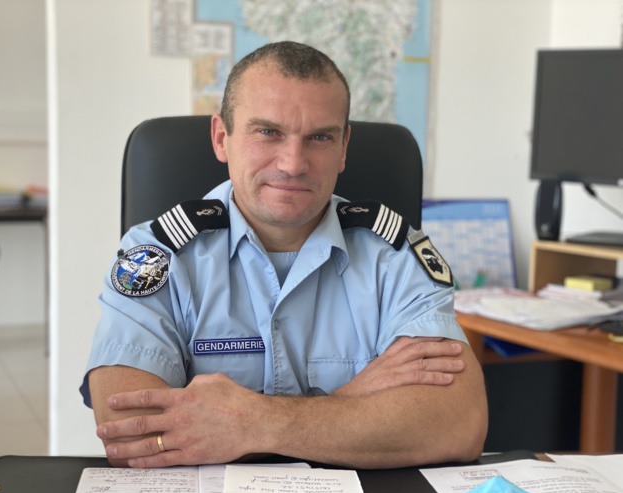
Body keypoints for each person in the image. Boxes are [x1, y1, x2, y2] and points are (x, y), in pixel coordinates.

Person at [81, 41, 488, 470]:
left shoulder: (396, 256)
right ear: (221, 138)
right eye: (268, 132)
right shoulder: (156, 257)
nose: (293, 164)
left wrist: (248, 424)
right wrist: (350, 401)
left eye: (320, 137)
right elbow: (133, 431)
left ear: (343, 148)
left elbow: (457, 422)